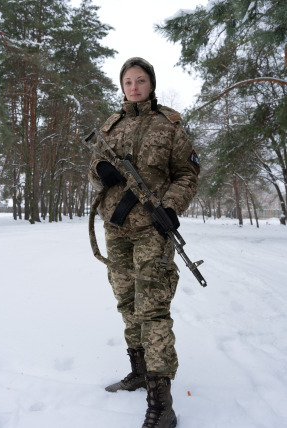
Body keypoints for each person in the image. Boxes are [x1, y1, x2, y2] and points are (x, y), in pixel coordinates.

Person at [88, 57, 200, 428]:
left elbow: (187, 173)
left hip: (153, 228)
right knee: (126, 302)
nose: (134, 87)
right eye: (128, 82)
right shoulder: (111, 125)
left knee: (152, 309)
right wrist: (101, 173)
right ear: (122, 86)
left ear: (151, 84)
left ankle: (161, 403)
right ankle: (139, 370)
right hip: (115, 228)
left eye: (140, 80)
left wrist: (170, 207)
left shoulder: (168, 125)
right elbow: (93, 171)